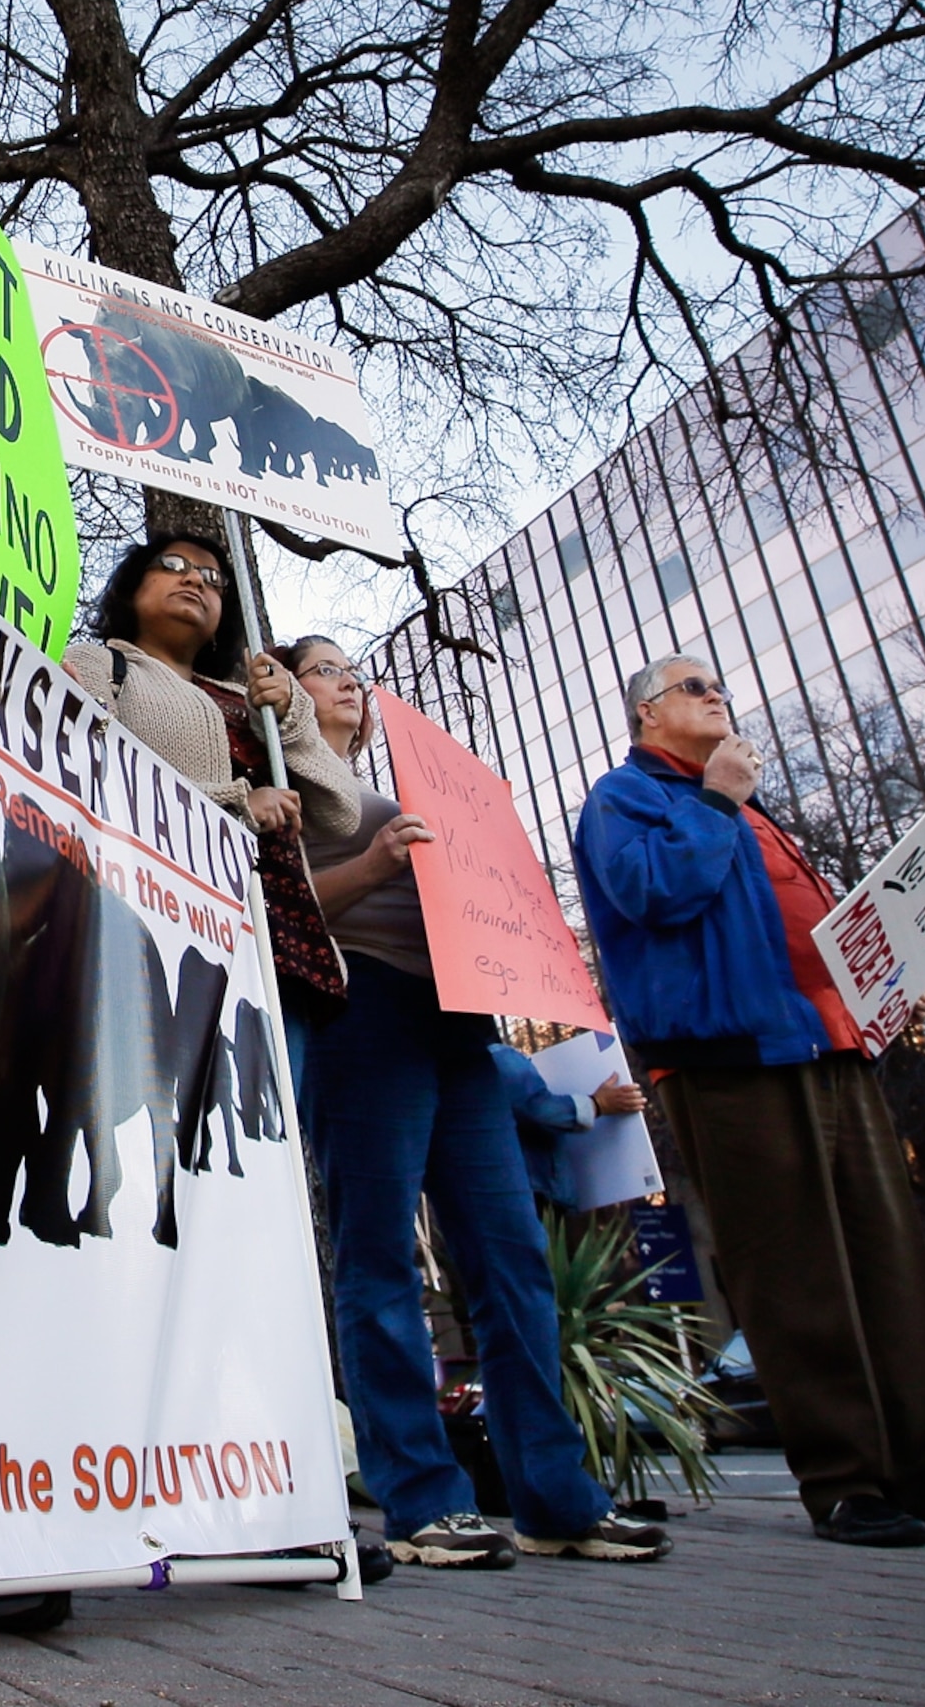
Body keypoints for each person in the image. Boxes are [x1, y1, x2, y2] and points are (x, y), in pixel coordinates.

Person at [572, 655, 925, 1553]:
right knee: (796, 1272)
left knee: (893, 1267)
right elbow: (655, 891)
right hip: (732, 1059)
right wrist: (718, 800)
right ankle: (844, 1482)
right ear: (648, 712)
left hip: (831, 1048)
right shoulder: (627, 796)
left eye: (721, 683)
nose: (717, 694)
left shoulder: (747, 805)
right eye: (694, 687)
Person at [282, 636, 672, 1571]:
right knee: (378, 1260)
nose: (351, 684)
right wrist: (378, 860)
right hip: (361, 1010)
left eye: (355, 673)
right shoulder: (289, 792)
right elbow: (276, 910)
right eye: (327, 669)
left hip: (461, 1026)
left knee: (512, 1261)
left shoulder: (409, 790)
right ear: (286, 692)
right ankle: (421, 1503)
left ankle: (557, 1499)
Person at [62, 537, 356, 1095]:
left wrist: (290, 717)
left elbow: (340, 813)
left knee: (263, 1146)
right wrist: (234, 804)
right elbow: (78, 766)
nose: (195, 579)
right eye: (172, 567)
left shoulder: (249, 699)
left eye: (213, 578)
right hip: (158, 944)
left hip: (276, 953)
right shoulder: (100, 664)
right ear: (132, 588)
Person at [492, 1040, 646, 1214]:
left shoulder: (459, 1068)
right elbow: (540, 1110)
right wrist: (597, 1104)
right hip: (537, 1194)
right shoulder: (499, 1057)